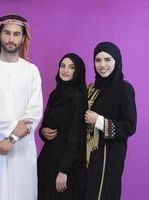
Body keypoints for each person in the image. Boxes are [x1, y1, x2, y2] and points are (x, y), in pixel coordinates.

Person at [0, 14, 43, 200]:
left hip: (21, 146)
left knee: (22, 193)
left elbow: (34, 113)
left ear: (23, 38)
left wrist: (11, 138)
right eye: (7, 33)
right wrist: (13, 126)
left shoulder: (31, 71)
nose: (11, 39)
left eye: (16, 34)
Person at [84, 42, 137, 200]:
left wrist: (99, 120)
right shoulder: (91, 88)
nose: (102, 65)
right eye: (97, 60)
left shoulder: (124, 88)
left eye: (107, 60)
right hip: (87, 155)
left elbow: (129, 126)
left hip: (109, 157)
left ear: (117, 61)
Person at [38, 53, 87, 200]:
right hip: (48, 157)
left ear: (77, 71)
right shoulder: (55, 94)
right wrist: (43, 131)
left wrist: (64, 170)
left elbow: (75, 136)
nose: (65, 70)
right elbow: (46, 123)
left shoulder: (77, 97)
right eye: (62, 66)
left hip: (66, 162)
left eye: (71, 67)